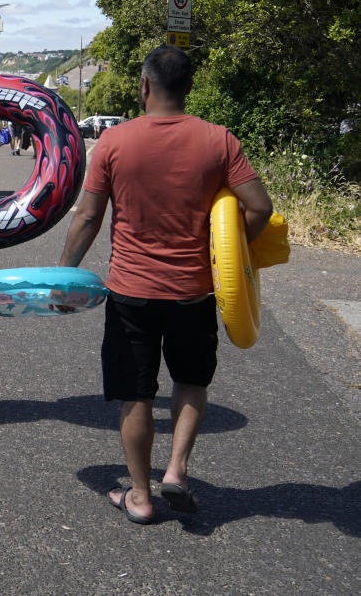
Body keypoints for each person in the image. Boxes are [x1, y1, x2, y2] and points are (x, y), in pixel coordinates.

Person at [56, 45, 272, 523]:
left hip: (131, 292)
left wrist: (65, 275)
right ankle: (175, 470)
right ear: (189, 88)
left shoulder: (113, 142)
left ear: (144, 85)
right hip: (194, 291)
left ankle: (140, 495)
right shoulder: (220, 141)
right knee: (191, 382)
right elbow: (259, 208)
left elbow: (89, 217)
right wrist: (233, 258)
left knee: (136, 394)